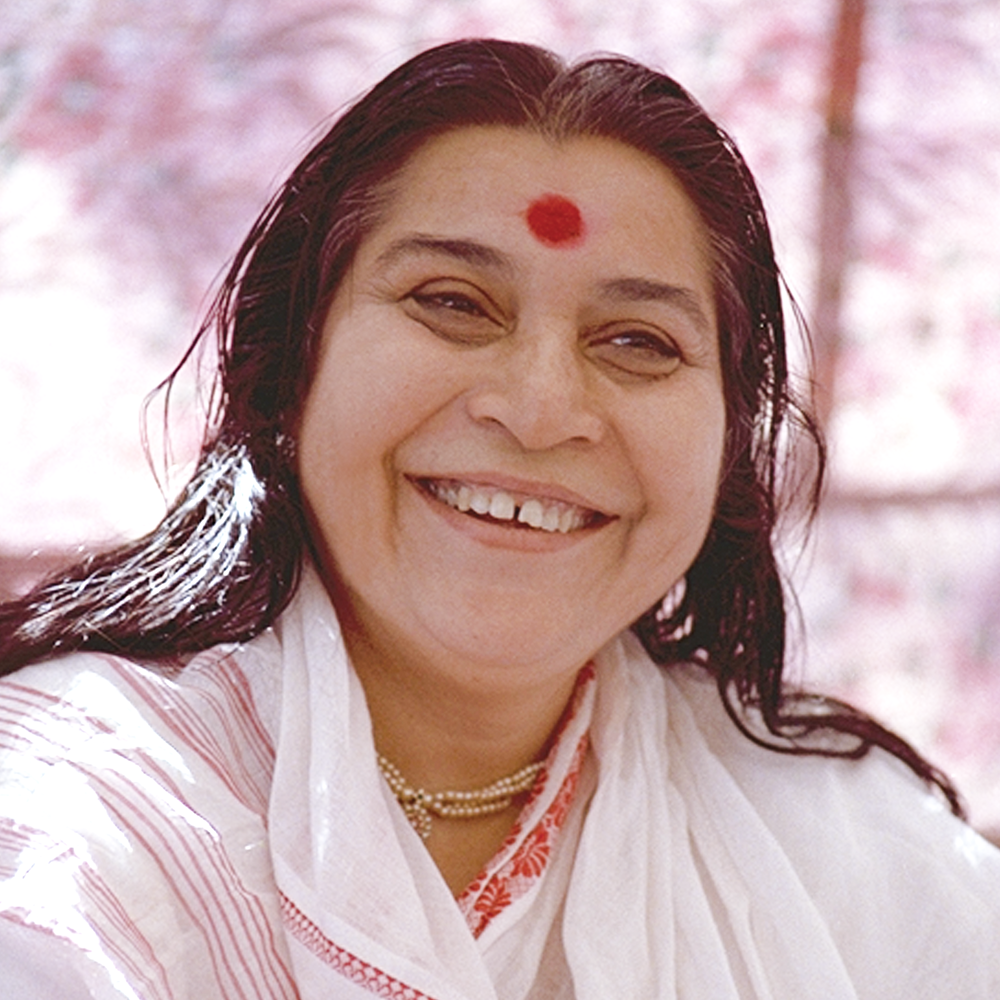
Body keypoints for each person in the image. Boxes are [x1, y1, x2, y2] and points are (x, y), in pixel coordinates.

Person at [0, 37, 997, 1000]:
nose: (537, 407)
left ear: (731, 442)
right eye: (453, 301)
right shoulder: (73, 830)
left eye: (638, 340)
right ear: (289, 365)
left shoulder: (843, 849)